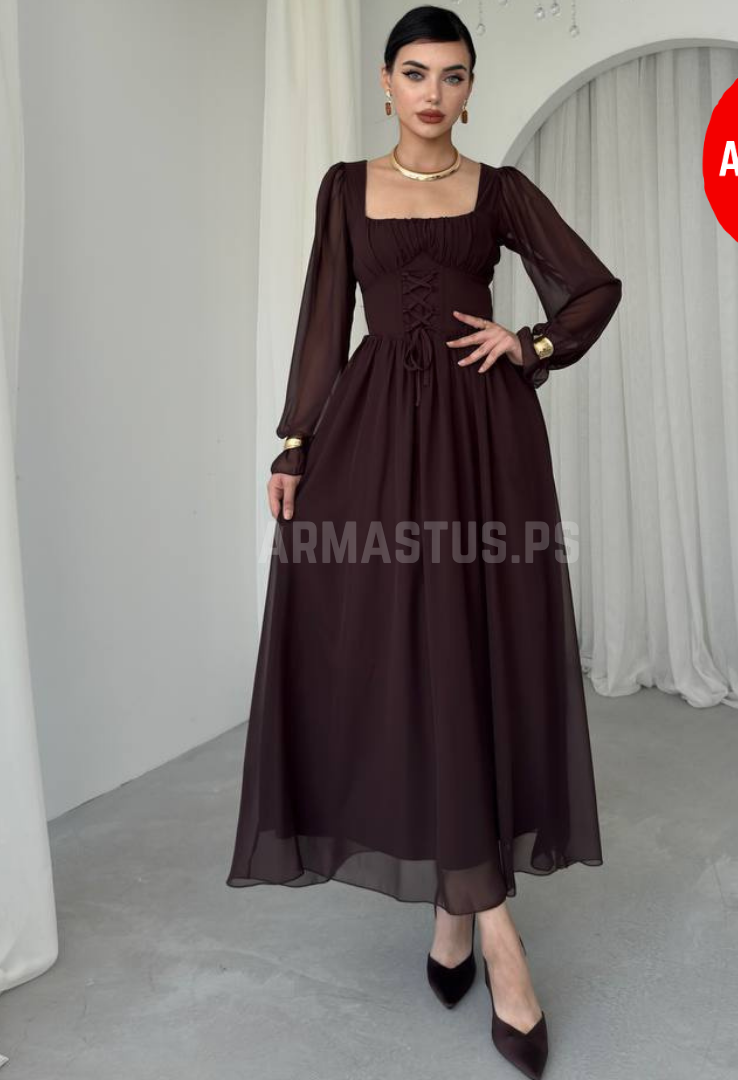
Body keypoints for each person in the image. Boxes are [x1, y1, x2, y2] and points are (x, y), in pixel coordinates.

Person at [226, 6, 622, 1077]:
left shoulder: (499, 191)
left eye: (452, 75)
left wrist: (528, 343)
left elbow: (593, 286)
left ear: (470, 88)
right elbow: (323, 316)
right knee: (396, 656)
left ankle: (478, 925)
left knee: (472, 652)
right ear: (386, 82)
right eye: (415, 73)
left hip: (484, 443)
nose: (433, 93)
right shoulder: (344, 187)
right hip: (372, 443)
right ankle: (480, 919)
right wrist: (296, 441)